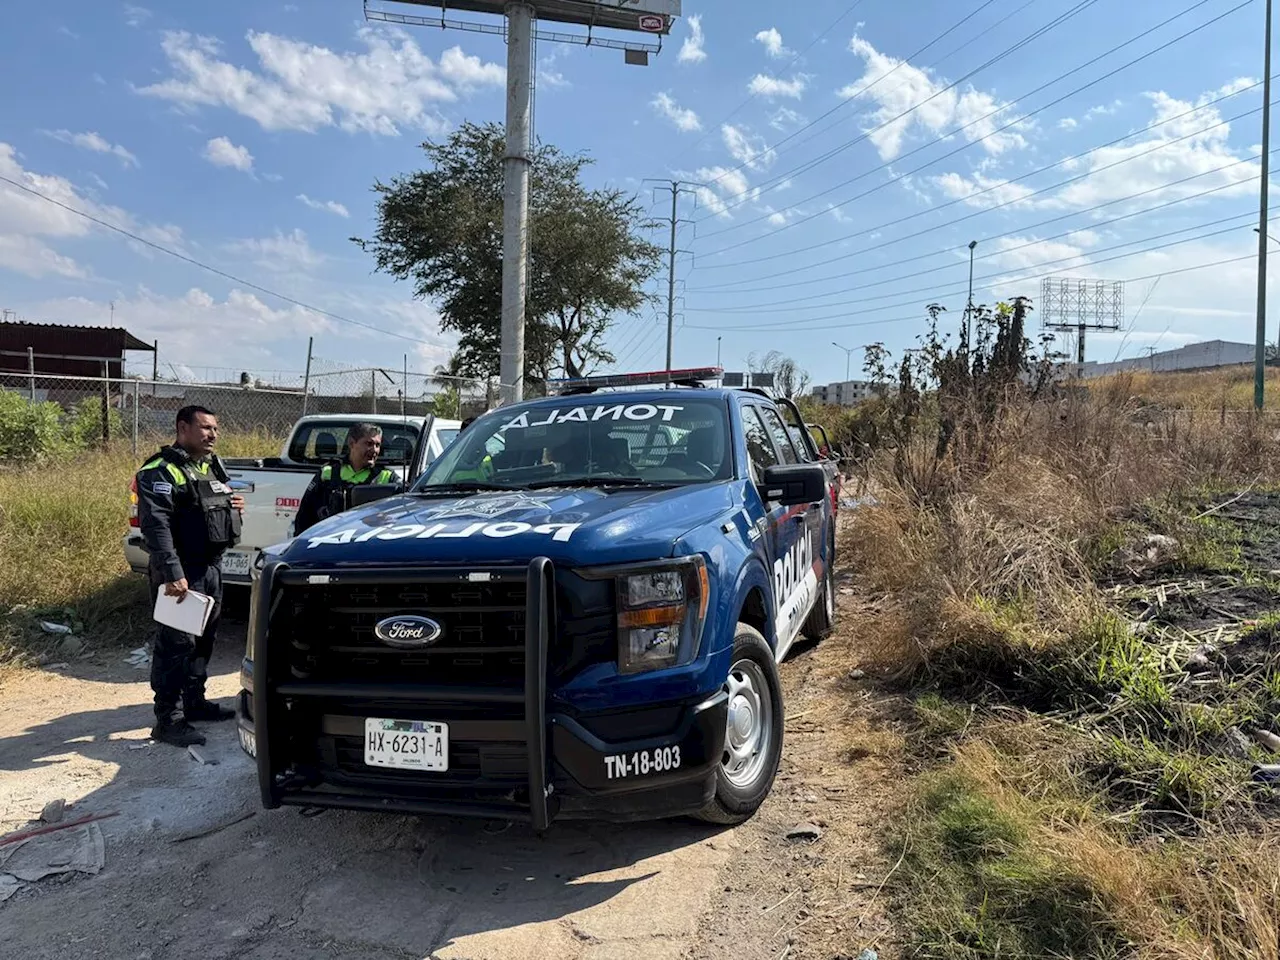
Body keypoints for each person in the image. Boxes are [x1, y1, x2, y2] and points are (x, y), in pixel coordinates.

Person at [135, 405, 244, 747]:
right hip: (181, 571)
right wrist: (172, 572)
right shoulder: (160, 471)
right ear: (183, 428)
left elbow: (216, 501)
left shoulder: (209, 465)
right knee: (176, 645)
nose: (213, 434)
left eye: (215, 428)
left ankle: (195, 703)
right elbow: (156, 525)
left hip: (210, 567)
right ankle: (168, 719)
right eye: (205, 428)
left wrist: (233, 505)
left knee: (204, 640)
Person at [293, 423, 395, 535]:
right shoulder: (328, 473)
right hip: (328, 540)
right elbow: (304, 514)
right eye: (369, 444)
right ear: (352, 443)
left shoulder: (387, 476)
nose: (374, 450)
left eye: (377, 445)